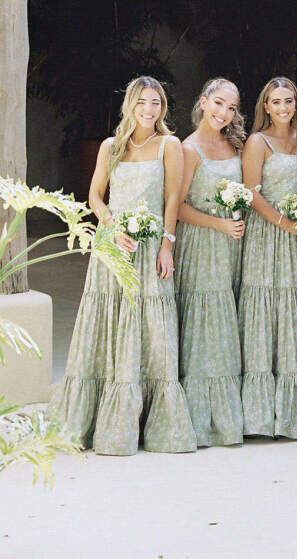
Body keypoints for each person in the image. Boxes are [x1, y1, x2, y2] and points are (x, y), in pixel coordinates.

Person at [55, 76, 196, 454]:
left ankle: (152, 422)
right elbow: (95, 197)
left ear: (162, 108)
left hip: (151, 247)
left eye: (155, 103)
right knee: (108, 320)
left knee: (152, 325)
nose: (148, 110)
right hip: (113, 246)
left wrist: (167, 244)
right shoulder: (110, 146)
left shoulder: (169, 145)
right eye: (141, 103)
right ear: (129, 106)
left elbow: (171, 200)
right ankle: (95, 421)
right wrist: (113, 228)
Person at [239, 77, 297, 438]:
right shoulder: (258, 142)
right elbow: (251, 193)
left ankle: (296, 407)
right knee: (268, 308)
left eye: (289, 100)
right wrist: (284, 222)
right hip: (268, 234)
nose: (284, 107)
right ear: (266, 107)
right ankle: (261, 412)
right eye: (276, 101)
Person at [174, 77, 247, 446]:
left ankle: (230, 410)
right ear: (203, 102)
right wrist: (219, 222)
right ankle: (205, 419)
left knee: (228, 321)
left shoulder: (235, 144)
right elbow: (176, 207)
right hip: (203, 246)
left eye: (231, 107)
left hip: (231, 247)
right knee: (207, 326)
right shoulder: (188, 149)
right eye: (218, 103)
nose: (223, 113)